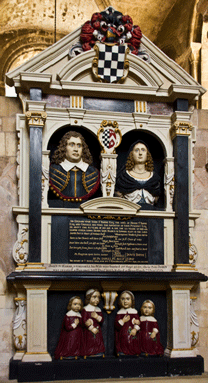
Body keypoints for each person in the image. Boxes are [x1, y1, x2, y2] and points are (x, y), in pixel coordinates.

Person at [49, 131, 99, 202]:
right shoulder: (53, 170)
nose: (76, 149)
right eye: (72, 145)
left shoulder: (93, 173)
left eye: (79, 145)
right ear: (64, 147)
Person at [115, 141, 160, 205]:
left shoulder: (154, 178)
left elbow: (156, 195)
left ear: (147, 154)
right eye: (136, 150)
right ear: (131, 154)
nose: (140, 153)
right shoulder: (124, 177)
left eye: (143, 150)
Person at [115, 291, 141, 356]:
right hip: (122, 335)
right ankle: (122, 351)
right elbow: (116, 326)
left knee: (133, 342)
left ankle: (133, 352)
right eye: (123, 299)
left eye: (127, 299)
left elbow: (138, 323)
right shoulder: (119, 313)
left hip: (132, 334)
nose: (125, 301)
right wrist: (123, 321)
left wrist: (135, 329)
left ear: (132, 301)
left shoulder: (134, 312)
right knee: (123, 342)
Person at [82, 289, 105, 357]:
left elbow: (101, 320)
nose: (97, 299)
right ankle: (89, 352)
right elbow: (84, 321)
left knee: (97, 340)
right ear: (89, 297)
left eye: (98, 297)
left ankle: (98, 351)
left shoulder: (98, 309)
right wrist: (91, 328)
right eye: (94, 297)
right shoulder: (85, 309)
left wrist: (97, 316)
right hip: (89, 330)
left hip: (97, 329)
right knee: (90, 340)